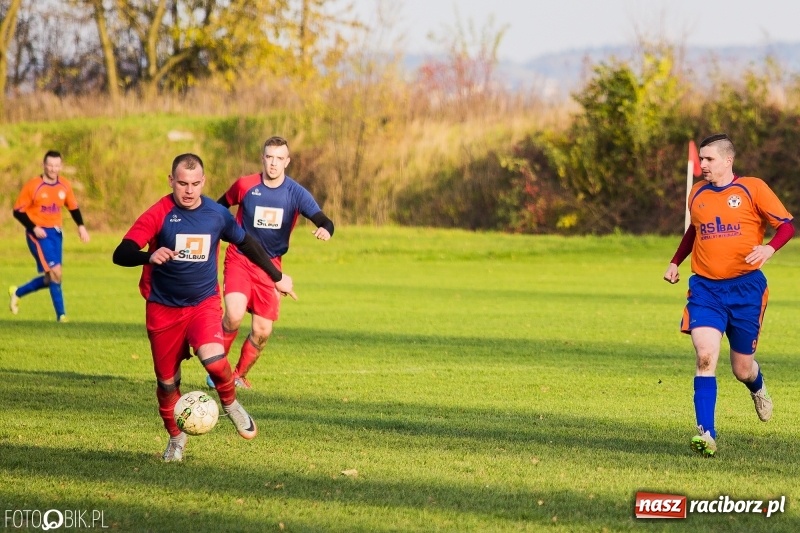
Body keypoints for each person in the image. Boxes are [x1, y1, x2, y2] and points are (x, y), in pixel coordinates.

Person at [112, 153, 296, 462]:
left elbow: (247, 243)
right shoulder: (159, 213)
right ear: (171, 181)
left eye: (195, 184)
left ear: (203, 182)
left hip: (203, 304)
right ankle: (175, 439)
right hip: (163, 309)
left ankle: (231, 403)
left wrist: (277, 277)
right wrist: (148, 256)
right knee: (167, 382)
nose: (188, 190)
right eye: (182, 183)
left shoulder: (216, 214)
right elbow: (122, 252)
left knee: (213, 359)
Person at [663, 133, 794, 458]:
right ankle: (706, 433)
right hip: (706, 289)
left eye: (709, 159)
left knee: (741, 369)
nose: (703, 165)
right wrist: (675, 261)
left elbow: (788, 225)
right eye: (702, 159)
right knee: (705, 357)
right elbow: (694, 230)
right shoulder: (697, 193)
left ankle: (757, 386)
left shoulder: (753, 188)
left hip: (747, 289)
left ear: (727, 160)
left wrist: (769, 248)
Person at [206, 136, 334, 390]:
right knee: (233, 314)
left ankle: (238, 376)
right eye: (269, 157)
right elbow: (218, 209)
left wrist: (326, 230)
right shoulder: (245, 185)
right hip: (240, 259)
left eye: (279, 158)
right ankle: (217, 371)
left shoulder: (296, 193)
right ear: (262, 158)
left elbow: (324, 220)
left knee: (262, 331)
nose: (273, 163)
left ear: (287, 161)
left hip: (271, 267)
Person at [9, 150, 91, 322]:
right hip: (38, 234)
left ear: (60, 166)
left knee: (51, 277)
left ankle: (17, 292)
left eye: (56, 165)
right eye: (50, 165)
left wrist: (81, 226)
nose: (53, 169)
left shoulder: (64, 185)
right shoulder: (34, 185)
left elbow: (73, 207)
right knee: (56, 272)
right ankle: (61, 316)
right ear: (44, 165)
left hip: (56, 233)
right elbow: (17, 211)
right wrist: (33, 227)